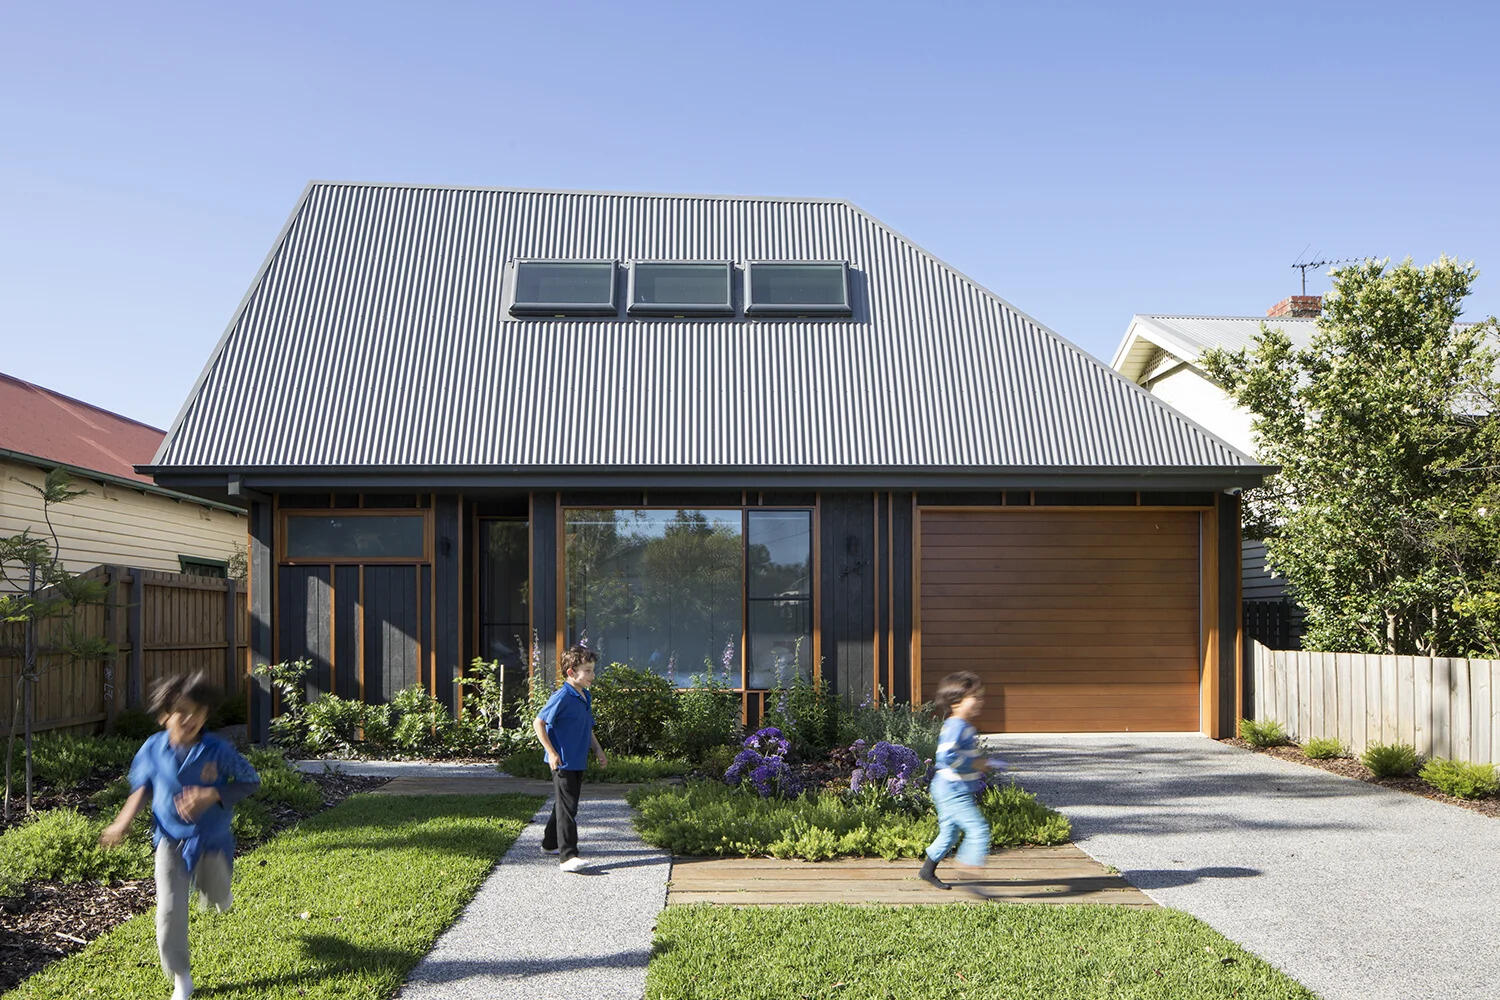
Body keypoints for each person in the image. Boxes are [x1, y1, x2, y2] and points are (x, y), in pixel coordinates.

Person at [99, 672, 260, 1000]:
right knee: (169, 910)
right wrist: (122, 822)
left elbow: (250, 780)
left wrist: (210, 795)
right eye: (182, 711)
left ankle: (218, 894)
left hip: (212, 842)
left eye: (198, 712)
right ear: (164, 716)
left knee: (215, 895)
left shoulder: (218, 749)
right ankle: (181, 977)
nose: (190, 719)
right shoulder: (152, 749)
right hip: (169, 840)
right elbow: (141, 788)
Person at [532, 645, 608, 872]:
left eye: (593, 670)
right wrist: (552, 753)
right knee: (568, 807)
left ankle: (549, 843)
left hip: (577, 759)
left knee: (564, 804)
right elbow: (539, 723)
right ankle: (568, 856)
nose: (593, 675)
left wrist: (598, 750)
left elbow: (588, 728)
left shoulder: (585, 695)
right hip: (563, 761)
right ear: (571, 672)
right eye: (588, 671)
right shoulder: (562, 696)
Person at [919, 670, 992, 890]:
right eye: (975, 697)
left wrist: (978, 761)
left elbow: (960, 755)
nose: (980, 701)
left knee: (949, 834)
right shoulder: (956, 726)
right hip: (952, 789)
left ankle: (927, 870)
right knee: (978, 830)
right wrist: (974, 764)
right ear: (957, 702)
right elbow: (945, 756)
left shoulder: (963, 726)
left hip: (950, 787)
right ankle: (969, 870)